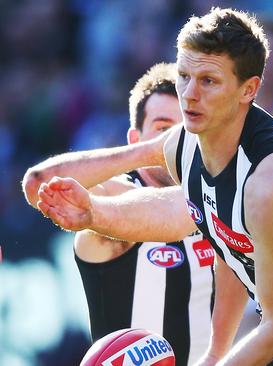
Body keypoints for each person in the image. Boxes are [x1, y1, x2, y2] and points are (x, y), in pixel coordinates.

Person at [35, 8, 273, 366]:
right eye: (184, 76)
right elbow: (207, 233)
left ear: (249, 90)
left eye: (209, 81)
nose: (189, 94)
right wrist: (92, 213)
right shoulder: (184, 144)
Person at [22, 63, 259, 365]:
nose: (177, 139)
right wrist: (151, 151)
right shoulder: (114, 195)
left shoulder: (226, 196)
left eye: (187, 127)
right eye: (163, 129)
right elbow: (37, 184)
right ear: (135, 139)